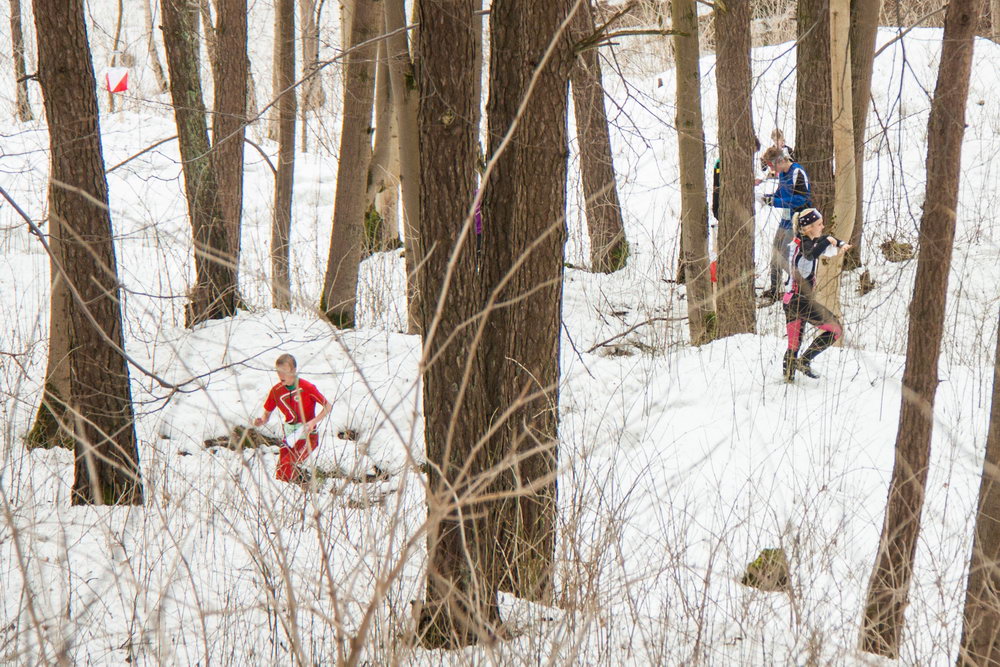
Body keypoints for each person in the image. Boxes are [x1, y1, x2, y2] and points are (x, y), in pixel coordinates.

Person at [781, 208, 850, 382]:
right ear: (809, 227)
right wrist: (829, 240)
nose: (823, 226)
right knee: (835, 329)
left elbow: (822, 244)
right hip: (799, 301)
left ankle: (788, 381)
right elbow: (811, 254)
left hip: (790, 301)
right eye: (819, 224)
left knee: (793, 345)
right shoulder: (806, 245)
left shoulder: (804, 240)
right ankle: (804, 361)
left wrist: (839, 244)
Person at [253, 353, 332, 484]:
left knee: (288, 464)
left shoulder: (307, 387)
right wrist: (261, 420)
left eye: (284, 371)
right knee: (281, 471)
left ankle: (305, 488)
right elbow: (266, 415)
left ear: (294, 370)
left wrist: (313, 422)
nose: (281, 375)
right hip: (289, 436)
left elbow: (328, 406)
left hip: (307, 436)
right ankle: (294, 491)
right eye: (278, 371)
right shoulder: (276, 391)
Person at [759, 146, 812, 302]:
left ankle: (803, 286)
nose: (772, 170)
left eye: (772, 166)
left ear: (781, 160)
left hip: (797, 218)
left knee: (784, 257)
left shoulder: (797, 172)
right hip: (785, 218)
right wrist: (767, 198)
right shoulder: (782, 174)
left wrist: (775, 202)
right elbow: (780, 192)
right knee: (775, 254)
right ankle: (774, 290)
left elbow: (802, 199)